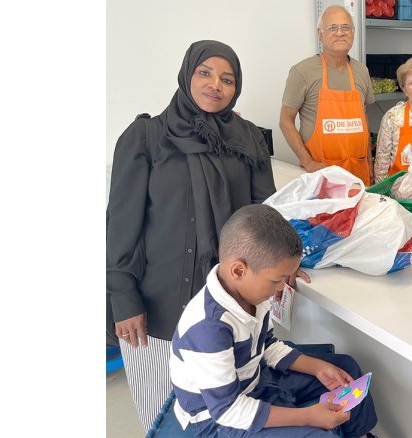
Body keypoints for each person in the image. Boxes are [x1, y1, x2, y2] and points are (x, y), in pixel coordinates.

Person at [106, 40, 283, 429]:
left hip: (230, 304)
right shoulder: (146, 137)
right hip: (157, 307)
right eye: (205, 73)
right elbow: (120, 226)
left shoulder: (249, 138)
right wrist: (123, 297)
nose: (215, 85)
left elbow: (264, 214)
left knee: (227, 410)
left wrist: (282, 268)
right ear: (188, 75)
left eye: (227, 79)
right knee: (163, 414)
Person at [170, 204, 378, 437]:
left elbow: (267, 344)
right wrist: (308, 416)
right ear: (239, 271)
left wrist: (317, 367)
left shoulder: (252, 293)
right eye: (276, 280)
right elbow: (228, 410)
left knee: (345, 370)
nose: (282, 287)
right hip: (217, 420)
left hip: (256, 381)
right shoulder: (208, 329)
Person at [280, 5, 375, 183]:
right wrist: (307, 161)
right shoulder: (303, 71)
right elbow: (285, 121)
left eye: (346, 27)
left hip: (358, 173)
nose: (340, 33)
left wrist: (369, 163)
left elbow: (363, 119)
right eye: (333, 28)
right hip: (321, 176)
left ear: (353, 33)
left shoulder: (361, 71)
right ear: (320, 33)